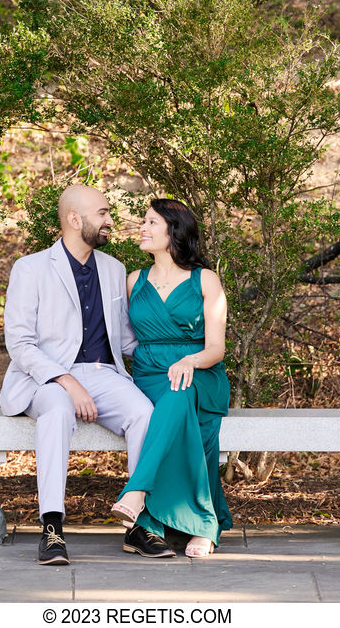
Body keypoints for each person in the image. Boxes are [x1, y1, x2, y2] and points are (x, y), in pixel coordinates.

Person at [0, 184, 176, 564]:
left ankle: (138, 524)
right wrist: (66, 381)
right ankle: (51, 527)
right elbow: (20, 343)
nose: (110, 221)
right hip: (43, 378)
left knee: (144, 413)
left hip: (103, 372)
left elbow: (126, 339)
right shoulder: (30, 268)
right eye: (102, 213)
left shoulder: (114, 269)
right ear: (74, 220)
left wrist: (179, 358)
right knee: (59, 410)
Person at [111, 198, 233, 558]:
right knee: (169, 414)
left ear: (173, 231)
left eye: (151, 223)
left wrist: (190, 361)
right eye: (143, 222)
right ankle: (198, 523)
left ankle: (138, 496)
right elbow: (122, 338)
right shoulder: (135, 280)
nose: (143, 228)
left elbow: (217, 347)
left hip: (199, 373)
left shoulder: (204, 279)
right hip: (148, 375)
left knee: (179, 394)